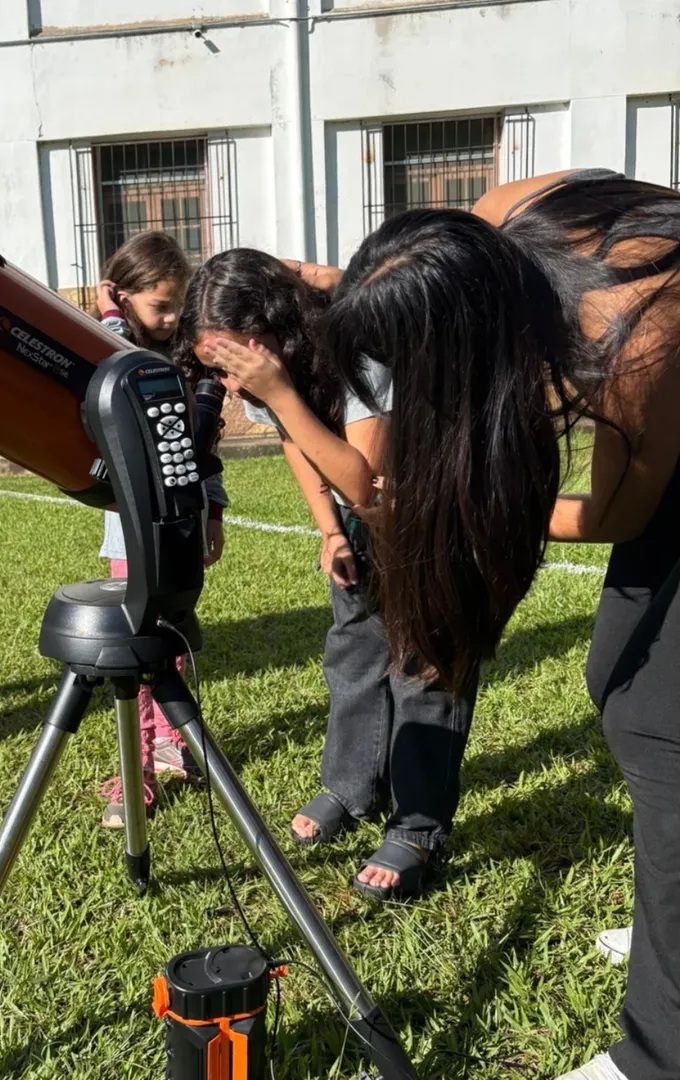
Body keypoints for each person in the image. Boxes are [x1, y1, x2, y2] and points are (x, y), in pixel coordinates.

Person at [203, 172, 680, 1080]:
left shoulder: (635, 336)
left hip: (663, 460)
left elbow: (617, 514)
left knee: (660, 722)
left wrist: (464, 502)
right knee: (614, 679)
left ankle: (657, 1054)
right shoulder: (499, 220)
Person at [180, 249, 477, 901]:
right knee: (354, 651)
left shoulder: (362, 342)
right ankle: (352, 786)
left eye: (231, 368)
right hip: (370, 518)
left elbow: (361, 478)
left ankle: (419, 824)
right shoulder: (266, 370)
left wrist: (278, 391)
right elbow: (297, 442)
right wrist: (330, 530)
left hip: (438, 509)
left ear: (265, 337)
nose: (230, 390)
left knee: (424, 665)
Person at [94, 230, 228, 828]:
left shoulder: (190, 361)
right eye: (159, 306)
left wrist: (215, 510)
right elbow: (109, 356)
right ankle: (144, 763)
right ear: (123, 300)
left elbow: (206, 450)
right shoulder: (112, 353)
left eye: (180, 305)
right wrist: (108, 315)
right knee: (143, 648)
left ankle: (154, 758)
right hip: (131, 531)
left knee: (162, 646)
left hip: (180, 523)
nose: (172, 318)